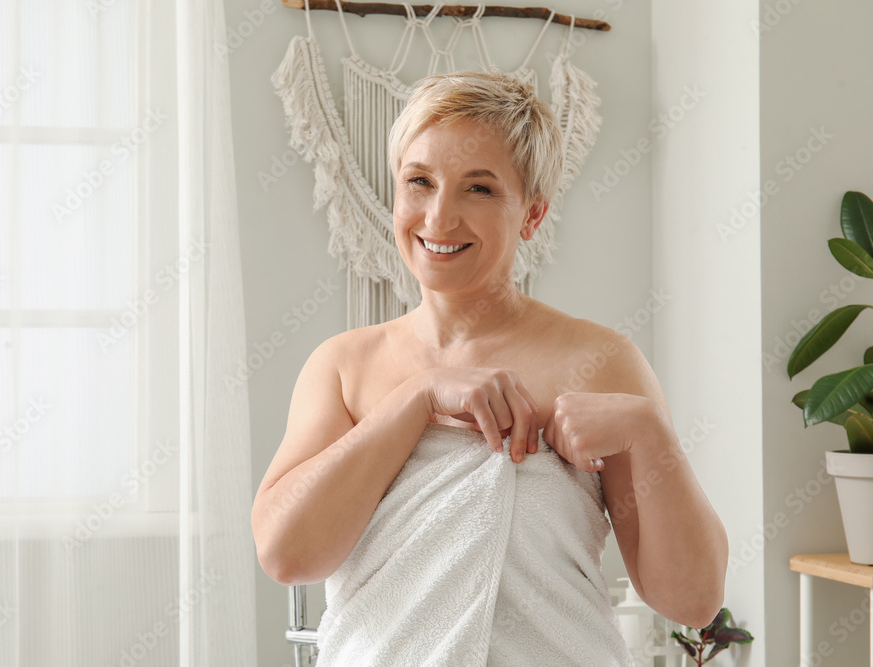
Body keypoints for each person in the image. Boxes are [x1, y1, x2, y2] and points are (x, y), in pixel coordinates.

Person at [252, 68, 727, 645]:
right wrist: (419, 396)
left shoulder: (600, 361)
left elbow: (694, 600)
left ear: (532, 215)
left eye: (478, 188)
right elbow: (286, 554)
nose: (438, 218)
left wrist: (651, 434)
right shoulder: (344, 366)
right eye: (419, 181)